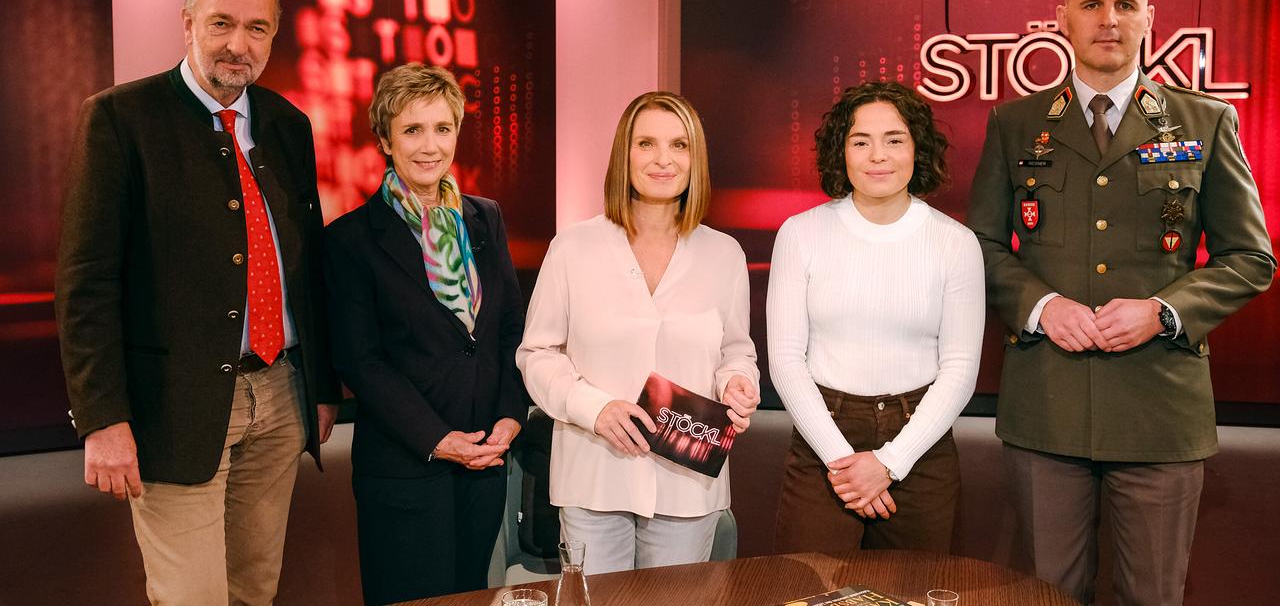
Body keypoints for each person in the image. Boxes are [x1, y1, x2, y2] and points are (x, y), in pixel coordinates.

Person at [967, 0, 1275, 606]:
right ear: (1063, 19)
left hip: (1159, 412)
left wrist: (1163, 312)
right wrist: (1041, 304)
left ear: (1149, 19)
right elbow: (982, 246)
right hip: (1047, 406)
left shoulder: (1204, 122)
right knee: (1046, 596)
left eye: (1125, 5)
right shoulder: (1015, 123)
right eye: (1093, 4)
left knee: (1153, 597)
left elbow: (1251, 258)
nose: (1109, 19)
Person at [55, 0, 342, 605]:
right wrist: (102, 417)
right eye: (221, 24)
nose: (238, 45)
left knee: (253, 590)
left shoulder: (288, 125)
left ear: (275, 32)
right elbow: (85, 285)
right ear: (187, 23)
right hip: (171, 408)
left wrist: (321, 388)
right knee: (192, 597)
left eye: (257, 28)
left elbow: (308, 267)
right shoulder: (121, 121)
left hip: (279, 395)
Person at [517, 91, 760, 575]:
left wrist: (737, 384)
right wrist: (596, 408)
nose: (663, 159)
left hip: (688, 482)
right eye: (646, 143)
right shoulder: (573, 247)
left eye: (679, 145)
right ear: (623, 155)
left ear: (697, 159)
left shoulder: (724, 253)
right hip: (593, 475)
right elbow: (538, 353)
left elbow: (736, 352)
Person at [324, 63, 527, 603]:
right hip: (405, 468)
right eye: (411, 130)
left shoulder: (487, 220)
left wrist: (510, 414)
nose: (429, 145)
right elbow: (359, 361)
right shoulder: (350, 240)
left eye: (442, 128)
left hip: (486, 458)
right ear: (386, 141)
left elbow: (510, 327)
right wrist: (438, 441)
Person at [768, 81, 984, 555]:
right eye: (860, 141)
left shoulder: (956, 242)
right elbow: (785, 360)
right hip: (823, 437)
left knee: (916, 591)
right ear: (840, 153)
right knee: (810, 592)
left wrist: (889, 463)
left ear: (917, 148)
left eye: (894, 139)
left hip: (920, 445)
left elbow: (961, 370)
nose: (877, 156)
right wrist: (845, 465)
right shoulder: (801, 234)